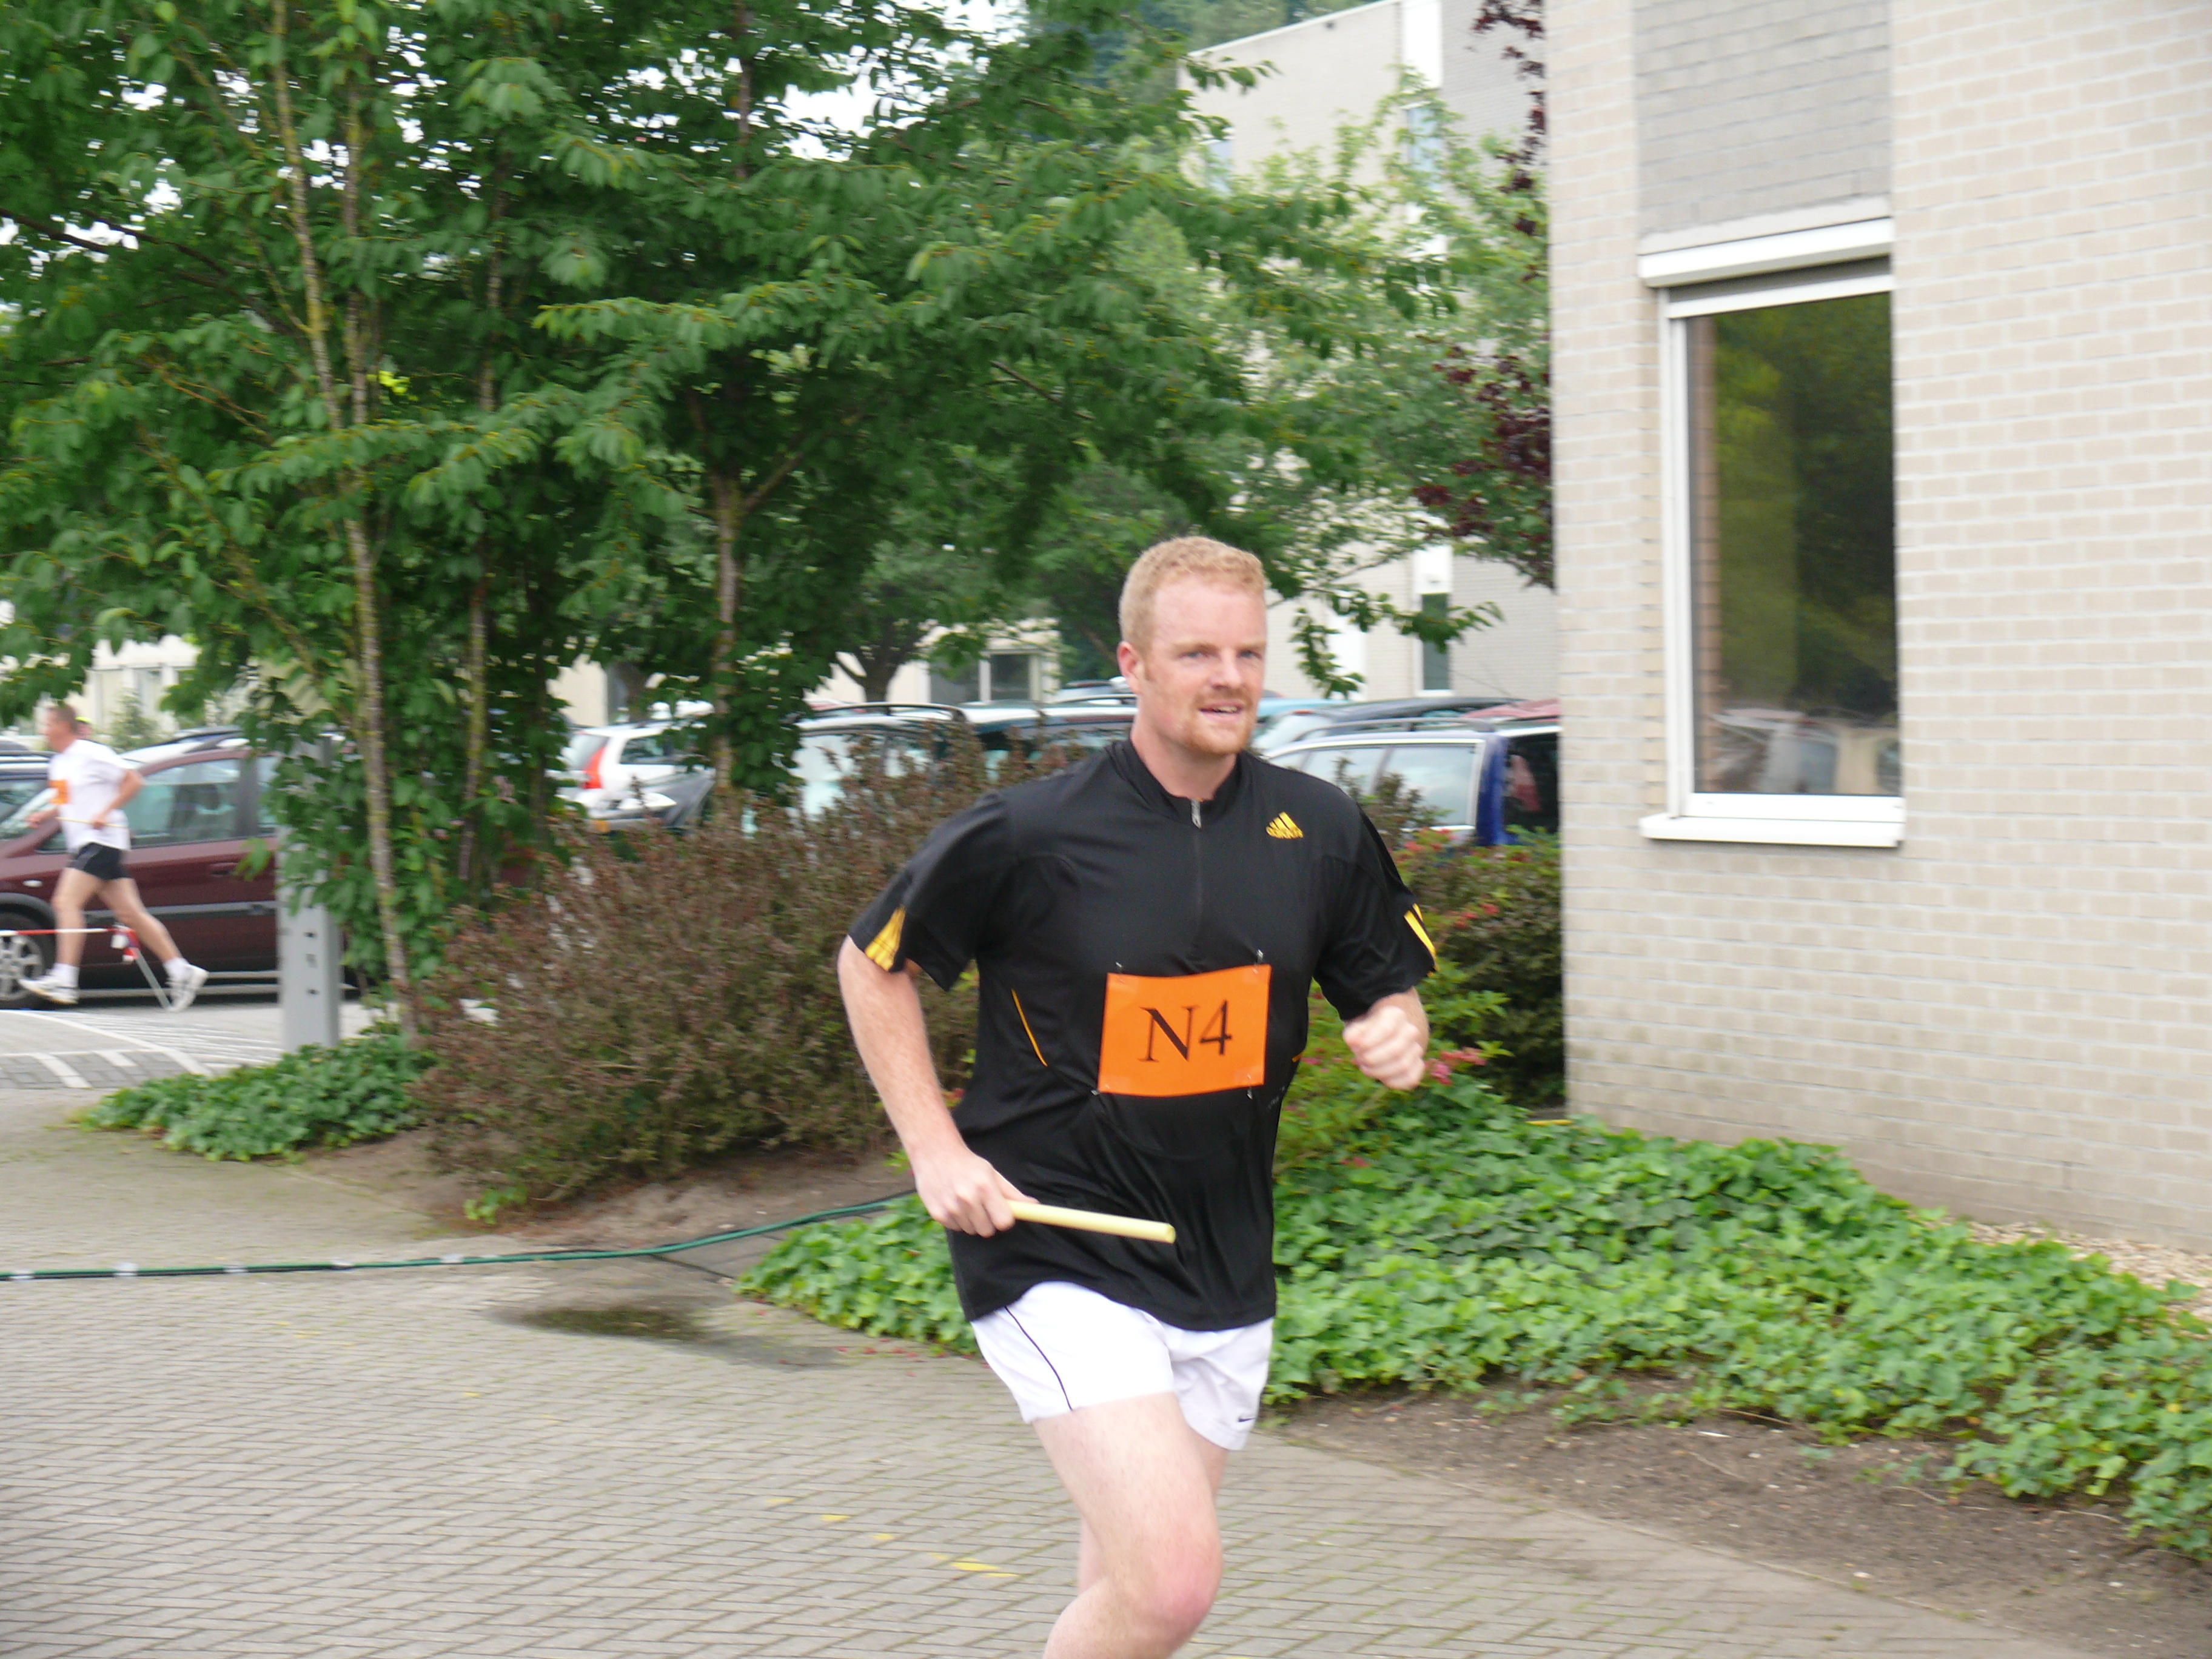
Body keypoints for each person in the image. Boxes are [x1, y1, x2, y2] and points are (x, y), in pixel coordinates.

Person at [840, 537, 1435, 1658]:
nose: (1229, 678)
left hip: (1222, 1264)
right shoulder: (1030, 832)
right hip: (1057, 1246)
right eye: (1197, 652)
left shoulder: (1317, 830)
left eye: (1248, 653)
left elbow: (1386, 985)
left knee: (1125, 1595)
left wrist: (1398, 1024)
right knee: (1172, 1583)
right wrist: (934, 1149)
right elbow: (872, 963)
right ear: (1134, 665)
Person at [20, 703, 209, 1010]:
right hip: (86, 844)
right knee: (131, 915)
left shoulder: (92, 753)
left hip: (102, 841)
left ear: (63, 727)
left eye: (47, 725)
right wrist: (46, 814)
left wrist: (106, 812)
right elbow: (65, 799)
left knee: (65, 903)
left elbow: (134, 781)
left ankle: (65, 978)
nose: (43, 731)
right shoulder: (59, 763)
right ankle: (182, 970)